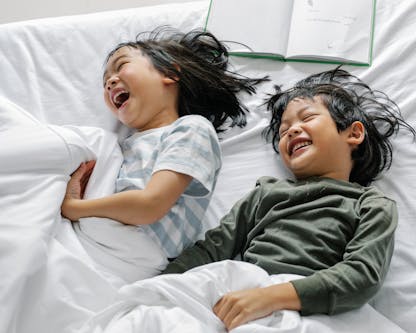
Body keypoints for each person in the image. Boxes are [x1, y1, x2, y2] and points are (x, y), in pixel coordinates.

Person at [162, 67, 416, 330]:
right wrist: (162, 284)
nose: (292, 131)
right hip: (247, 294)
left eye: (307, 117)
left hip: (309, 307)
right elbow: (212, 248)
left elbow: (361, 276)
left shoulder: (371, 205)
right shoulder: (265, 194)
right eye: (283, 131)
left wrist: (270, 297)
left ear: (353, 134)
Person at [60, 26, 267, 281]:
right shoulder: (123, 146)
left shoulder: (191, 129)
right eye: (105, 83)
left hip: (133, 249)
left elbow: (150, 205)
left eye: (121, 66)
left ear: (169, 73)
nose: (110, 81)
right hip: (96, 238)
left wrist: (75, 208)